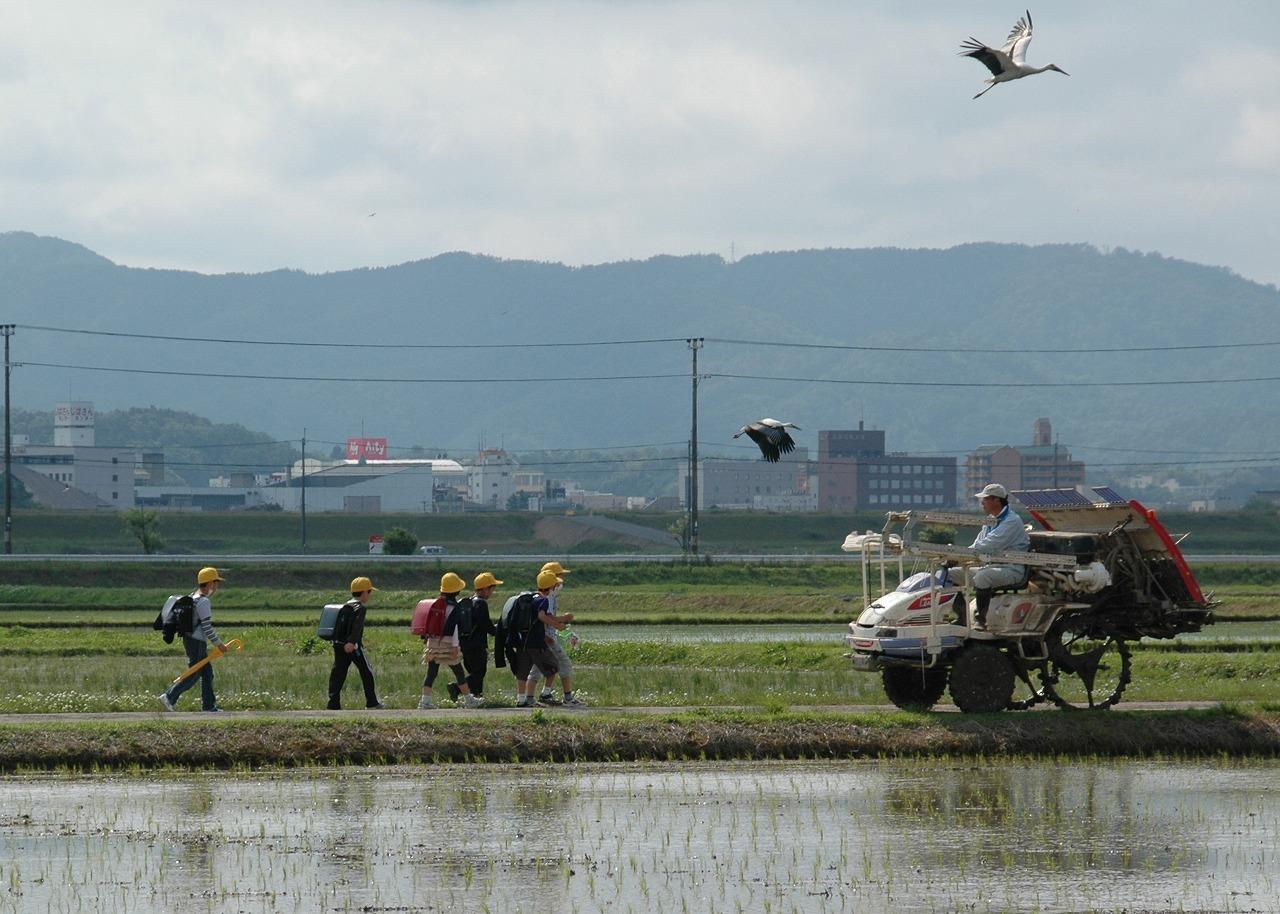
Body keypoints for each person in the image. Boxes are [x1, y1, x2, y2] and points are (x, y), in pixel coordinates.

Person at [159, 566, 228, 712]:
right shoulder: (203, 602)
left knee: (207, 672)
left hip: (190, 639)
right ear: (210, 583)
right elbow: (207, 628)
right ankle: (169, 696)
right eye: (216, 583)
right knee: (194, 673)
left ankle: (209, 706)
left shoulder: (192, 597)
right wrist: (219, 645)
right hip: (197, 641)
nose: (217, 587)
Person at [967, 483, 1031, 629]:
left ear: (997, 500)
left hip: (1011, 569)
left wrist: (963, 553)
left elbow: (989, 545)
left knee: (983, 577)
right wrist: (959, 556)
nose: (982, 502)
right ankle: (961, 617)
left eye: (985, 499)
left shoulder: (1012, 521)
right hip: (991, 567)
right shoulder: (990, 520)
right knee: (952, 574)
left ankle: (980, 620)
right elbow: (978, 543)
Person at [419, 572, 481, 709]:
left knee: (431, 672)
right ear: (457, 590)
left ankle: (424, 701)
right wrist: (455, 646)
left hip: (433, 643)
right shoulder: (455, 607)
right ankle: (468, 700)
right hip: (448, 643)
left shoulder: (436, 603)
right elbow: (454, 628)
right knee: (459, 672)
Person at [514, 570, 573, 708]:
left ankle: (522, 700)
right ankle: (544, 695)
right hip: (537, 642)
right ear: (551, 587)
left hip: (524, 642)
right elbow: (542, 616)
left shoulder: (530, 598)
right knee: (553, 667)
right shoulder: (543, 600)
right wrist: (557, 625)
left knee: (523, 672)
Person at [327, 576, 384, 710]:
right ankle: (372, 702)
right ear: (364, 592)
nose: (369, 595)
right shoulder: (360, 608)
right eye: (369, 592)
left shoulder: (345, 606)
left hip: (339, 644)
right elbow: (356, 627)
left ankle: (333, 703)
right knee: (367, 672)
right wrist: (352, 642)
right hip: (353, 646)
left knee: (338, 673)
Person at [530, 561, 583, 707]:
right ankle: (567, 698)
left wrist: (565, 631)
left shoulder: (549, 596)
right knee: (564, 664)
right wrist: (563, 620)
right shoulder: (547, 597)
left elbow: (550, 619)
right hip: (547, 638)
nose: (561, 579)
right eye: (559, 575)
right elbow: (547, 619)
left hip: (547, 637)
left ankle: (536, 696)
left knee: (542, 668)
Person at [447, 571, 501, 703]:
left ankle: (477, 697)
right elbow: (485, 624)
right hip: (477, 644)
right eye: (492, 589)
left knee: (474, 671)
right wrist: (497, 631)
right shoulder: (481, 603)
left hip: (464, 644)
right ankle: (456, 688)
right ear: (485, 589)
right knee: (479, 673)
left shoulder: (464, 602)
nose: (492, 592)